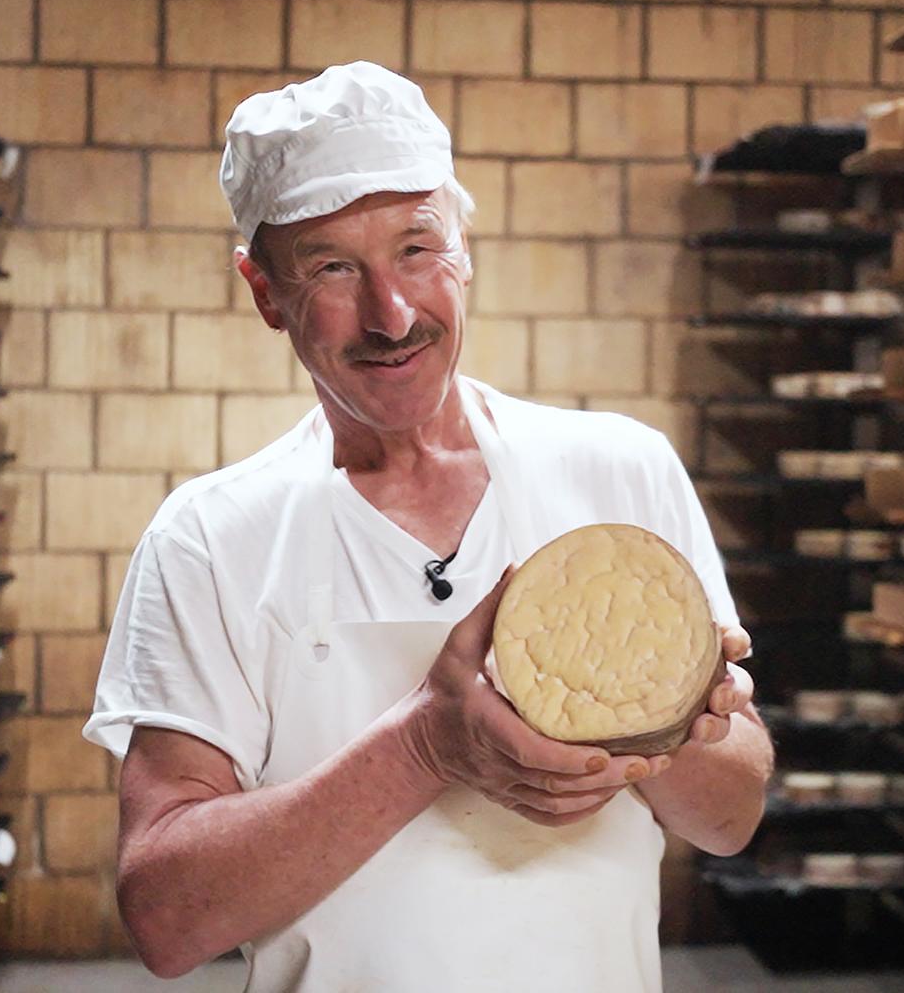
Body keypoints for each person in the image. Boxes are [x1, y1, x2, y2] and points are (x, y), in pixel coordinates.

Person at [85, 61, 773, 992]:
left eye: (418, 248)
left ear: (464, 243)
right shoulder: (211, 539)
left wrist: (647, 723)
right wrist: (425, 746)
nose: (393, 313)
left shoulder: (620, 474)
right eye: (333, 266)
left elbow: (730, 822)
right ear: (264, 292)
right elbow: (166, 919)